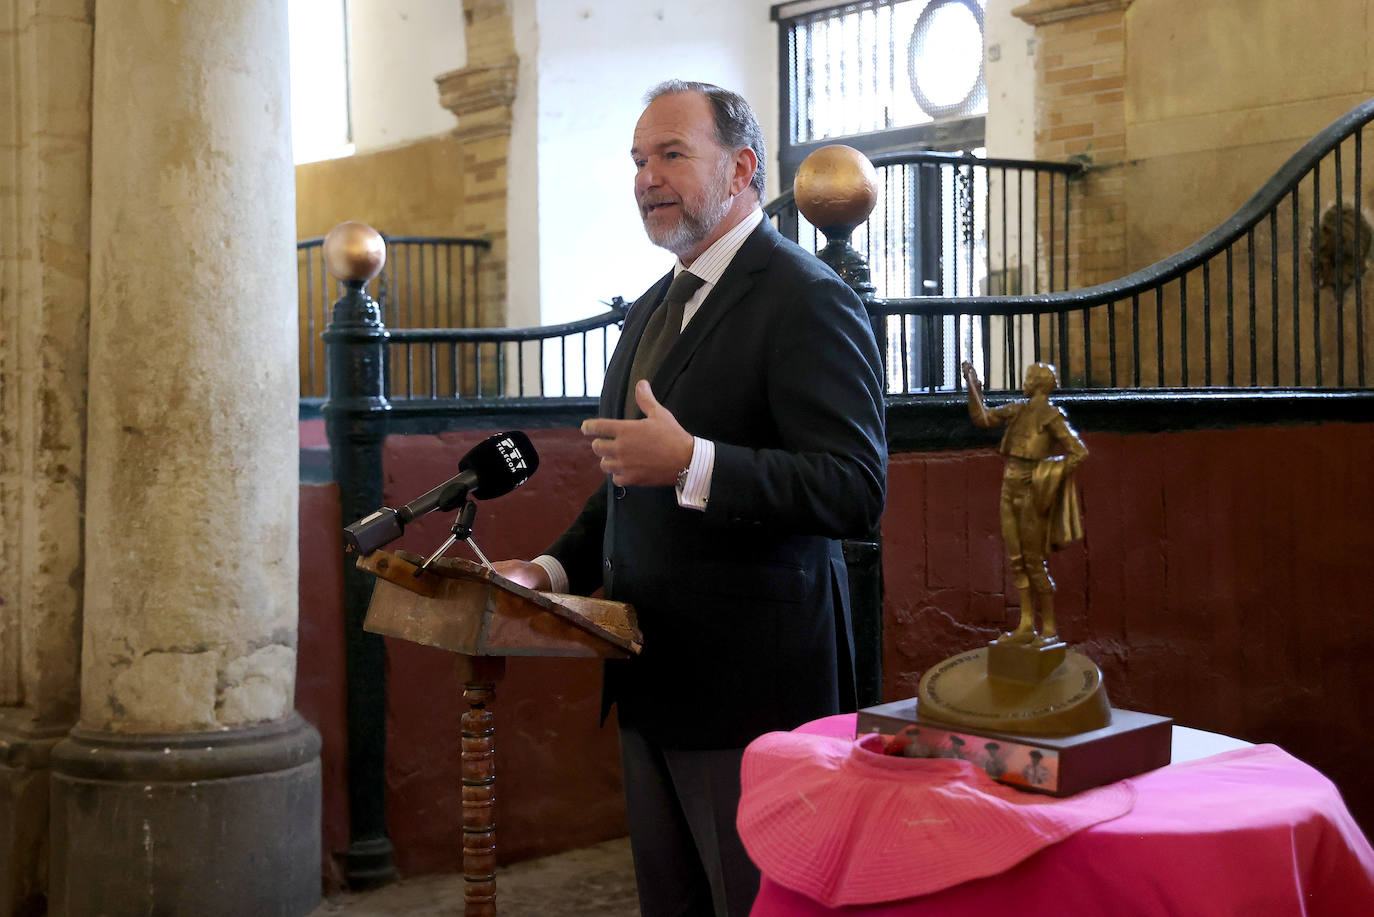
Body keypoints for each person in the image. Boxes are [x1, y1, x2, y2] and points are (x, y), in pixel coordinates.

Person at [494, 80, 886, 917]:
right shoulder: (649, 310)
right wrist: (549, 570)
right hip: (651, 676)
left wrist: (695, 461)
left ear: (743, 165)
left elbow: (854, 487)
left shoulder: (808, 297)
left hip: (759, 693)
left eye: (672, 153)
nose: (646, 177)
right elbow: (623, 478)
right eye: (639, 159)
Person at [962, 360, 1087, 646]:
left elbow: (1079, 452)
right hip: (1010, 487)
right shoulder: (1018, 408)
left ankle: (1049, 630)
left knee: (1034, 561)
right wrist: (973, 386)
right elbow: (983, 418)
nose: (1025, 381)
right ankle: (1027, 624)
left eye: (1030, 377)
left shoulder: (1052, 416)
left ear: (1041, 383)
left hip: (1032, 490)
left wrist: (1048, 473)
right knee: (1017, 560)